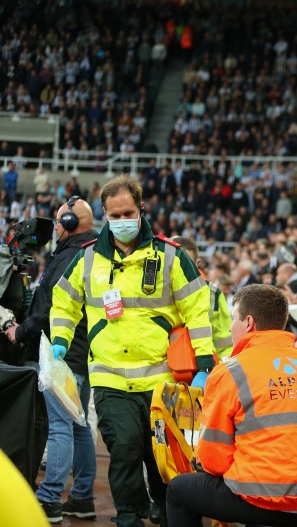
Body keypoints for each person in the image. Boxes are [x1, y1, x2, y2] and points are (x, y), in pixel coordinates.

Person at [50, 175, 215, 527]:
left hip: (161, 378)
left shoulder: (172, 256)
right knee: (123, 448)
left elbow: (198, 312)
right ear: (104, 215)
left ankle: (164, 505)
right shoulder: (87, 258)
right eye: (114, 214)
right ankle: (128, 515)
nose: (121, 219)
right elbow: (64, 302)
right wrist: (60, 338)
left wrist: (204, 363)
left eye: (128, 212)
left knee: (159, 453)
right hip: (109, 374)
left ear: (141, 210)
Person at [166, 284, 297, 527]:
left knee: (179, 491)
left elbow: (214, 460)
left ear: (249, 323)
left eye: (234, 319)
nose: (231, 327)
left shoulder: (231, 371)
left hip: (267, 499)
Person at [5, 196, 98, 523]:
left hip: (62, 349)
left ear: (72, 223)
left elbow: (48, 306)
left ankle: (50, 498)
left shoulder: (71, 255)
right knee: (79, 424)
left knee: (61, 425)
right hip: (82, 350)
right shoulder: (93, 252)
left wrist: (21, 332)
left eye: (60, 220)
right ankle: (82, 497)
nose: (56, 226)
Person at [172, 235, 234, 359]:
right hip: (164, 371)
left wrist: (224, 369)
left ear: (197, 263)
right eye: (175, 264)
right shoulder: (154, 293)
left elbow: (224, 341)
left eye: (187, 264)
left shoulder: (213, 294)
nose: (180, 270)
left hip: (205, 368)